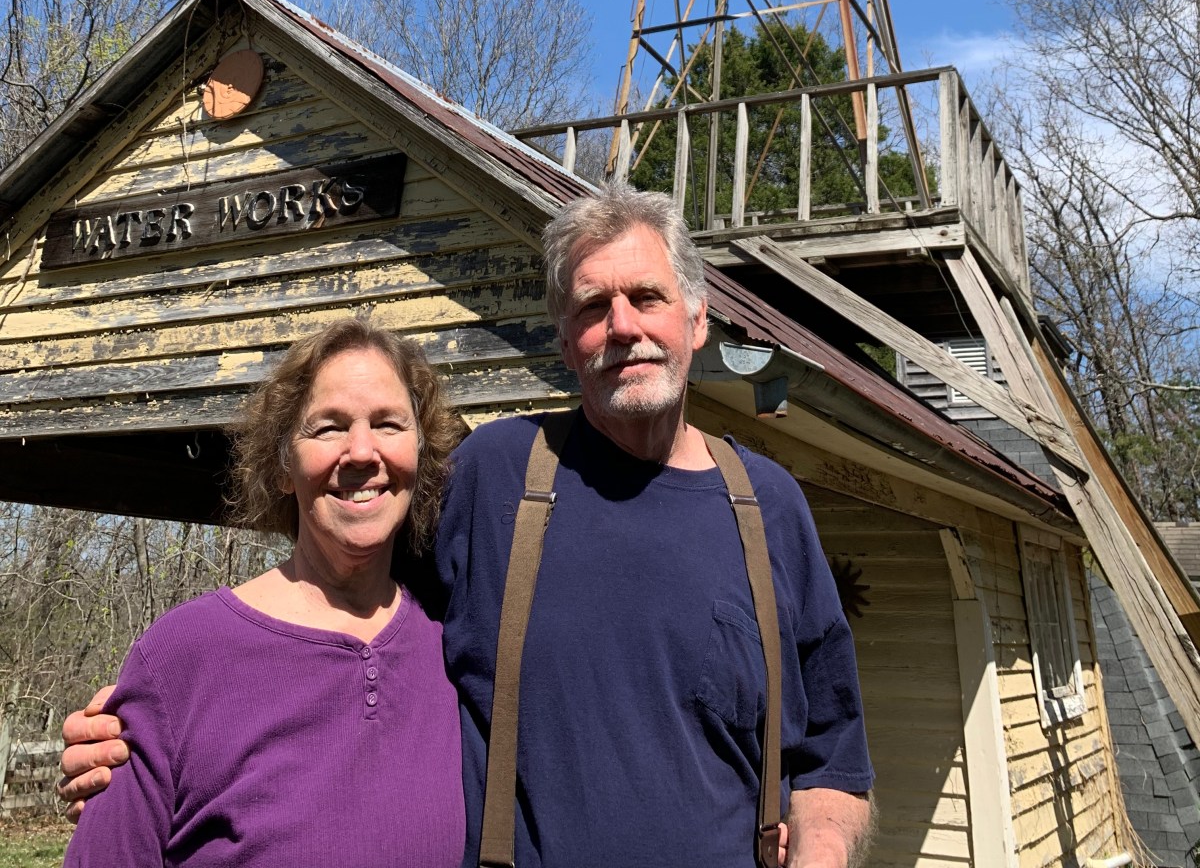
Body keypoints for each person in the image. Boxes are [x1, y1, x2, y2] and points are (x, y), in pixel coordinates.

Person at [61, 184, 874, 868]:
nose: (622, 326)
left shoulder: (767, 507)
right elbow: (343, 615)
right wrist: (150, 728)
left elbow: (833, 758)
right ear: (565, 341)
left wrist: (823, 849)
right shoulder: (501, 477)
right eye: (594, 306)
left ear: (696, 320)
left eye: (648, 297)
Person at [62, 319, 465, 868]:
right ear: (282, 468)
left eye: (389, 424)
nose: (362, 451)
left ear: (421, 455)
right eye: (329, 427)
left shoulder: (453, 651)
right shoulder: (180, 658)